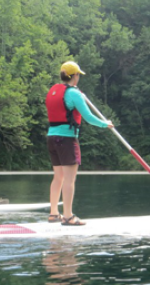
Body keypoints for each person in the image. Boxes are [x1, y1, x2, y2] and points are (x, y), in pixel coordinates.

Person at [45, 61, 114, 226]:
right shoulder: (74, 94)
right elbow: (89, 118)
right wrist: (106, 124)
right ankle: (68, 217)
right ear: (74, 76)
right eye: (78, 75)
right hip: (67, 139)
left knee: (58, 177)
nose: (79, 78)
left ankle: (54, 214)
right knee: (69, 180)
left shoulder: (54, 91)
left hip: (52, 137)